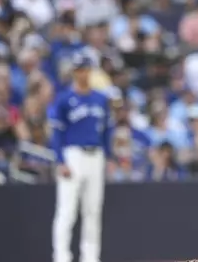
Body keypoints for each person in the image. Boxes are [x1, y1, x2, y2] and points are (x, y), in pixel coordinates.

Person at [49, 51, 114, 262]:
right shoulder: (64, 100)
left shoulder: (101, 98)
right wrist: (60, 160)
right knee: (67, 210)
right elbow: (57, 132)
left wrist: (109, 156)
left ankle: (91, 257)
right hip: (73, 154)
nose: (82, 74)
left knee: (93, 210)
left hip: (96, 155)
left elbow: (106, 131)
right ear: (74, 72)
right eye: (78, 70)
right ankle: (61, 257)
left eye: (85, 69)